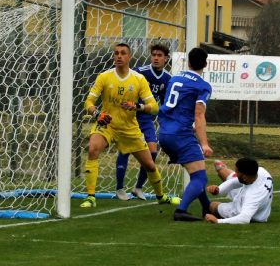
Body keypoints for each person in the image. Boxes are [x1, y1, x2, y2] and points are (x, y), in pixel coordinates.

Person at [81, 42, 180, 208]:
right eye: (116, 53)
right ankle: (91, 196)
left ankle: (161, 196)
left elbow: (154, 106)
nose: (119, 56)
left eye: (123, 53)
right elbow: (89, 101)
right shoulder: (104, 76)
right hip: (108, 124)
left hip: (129, 127)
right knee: (93, 149)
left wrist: (137, 106)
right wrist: (97, 113)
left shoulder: (138, 79)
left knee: (149, 164)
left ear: (129, 57)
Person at [158, 47, 213, 221]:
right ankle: (181, 210)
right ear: (205, 64)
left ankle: (206, 207)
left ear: (188, 62)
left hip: (164, 133)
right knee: (200, 177)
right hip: (181, 135)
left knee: (196, 171)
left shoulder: (174, 79)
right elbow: (199, 114)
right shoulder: (202, 86)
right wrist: (203, 143)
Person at [115, 43, 171, 201]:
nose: (156, 58)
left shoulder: (167, 78)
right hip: (130, 117)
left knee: (152, 152)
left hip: (146, 118)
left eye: (159, 55)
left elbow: (163, 103)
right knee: (125, 150)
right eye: (154, 55)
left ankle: (138, 187)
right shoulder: (140, 72)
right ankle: (119, 188)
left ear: (166, 58)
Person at [205, 158, 273, 224]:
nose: (236, 174)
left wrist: (218, 221)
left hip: (242, 212)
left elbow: (244, 219)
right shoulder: (261, 172)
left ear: (245, 177)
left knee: (212, 205)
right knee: (224, 173)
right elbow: (233, 182)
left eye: (237, 172)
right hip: (246, 191)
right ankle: (221, 168)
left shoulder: (252, 196)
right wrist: (218, 190)